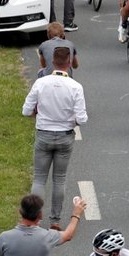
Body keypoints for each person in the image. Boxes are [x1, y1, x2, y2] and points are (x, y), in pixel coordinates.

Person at [22, 47, 88, 228]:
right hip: (65, 136)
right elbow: (82, 118)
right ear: (69, 63)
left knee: (39, 179)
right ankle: (55, 220)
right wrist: (71, 119)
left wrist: (38, 113)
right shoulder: (75, 87)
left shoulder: (41, 83)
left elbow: (26, 110)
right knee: (59, 179)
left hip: (43, 134)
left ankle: (34, 219)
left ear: (53, 62)